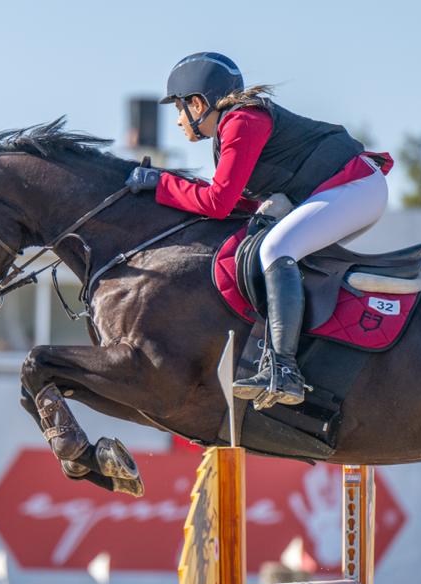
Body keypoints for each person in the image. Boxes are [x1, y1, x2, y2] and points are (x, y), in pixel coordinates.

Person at [125, 52, 392, 408]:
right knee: (276, 248)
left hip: (357, 188)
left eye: (178, 109)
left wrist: (162, 184)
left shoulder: (241, 121)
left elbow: (218, 202)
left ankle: (283, 370)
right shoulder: (233, 127)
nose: (178, 121)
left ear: (198, 103)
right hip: (345, 190)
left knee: (275, 250)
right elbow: (237, 203)